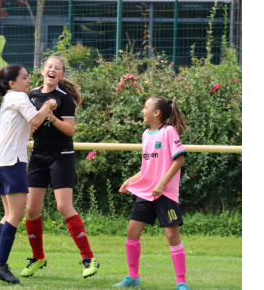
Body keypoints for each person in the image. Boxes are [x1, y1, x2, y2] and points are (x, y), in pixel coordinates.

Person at [0, 64, 57, 284]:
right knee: (16, 215)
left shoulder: (11, 99)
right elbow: (37, 120)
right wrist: (48, 104)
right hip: (12, 162)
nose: (29, 81)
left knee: (8, 214)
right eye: (25, 77)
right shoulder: (19, 98)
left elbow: (26, 125)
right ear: (12, 83)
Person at [20, 56, 99, 279]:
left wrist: (52, 118)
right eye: (50, 67)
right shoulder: (32, 95)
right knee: (31, 210)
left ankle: (88, 257)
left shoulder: (64, 99)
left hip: (61, 156)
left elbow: (70, 130)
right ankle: (38, 257)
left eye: (58, 68)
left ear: (61, 75)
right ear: (42, 71)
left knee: (64, 207)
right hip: (38, 156)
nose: (53, 70)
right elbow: (30, 122)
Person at [112, 96, 190, 290]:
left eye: (145, 107)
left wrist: (162, 184)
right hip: (147, 193)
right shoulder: (146, 134)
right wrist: (131, 180)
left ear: (156, 112)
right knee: (132, 231)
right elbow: (148, 168)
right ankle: (133, 277)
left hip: (165, 194)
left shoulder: (169, 131)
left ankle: (181, 282)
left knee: (172, 236)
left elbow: (179, 160)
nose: (142, 111)